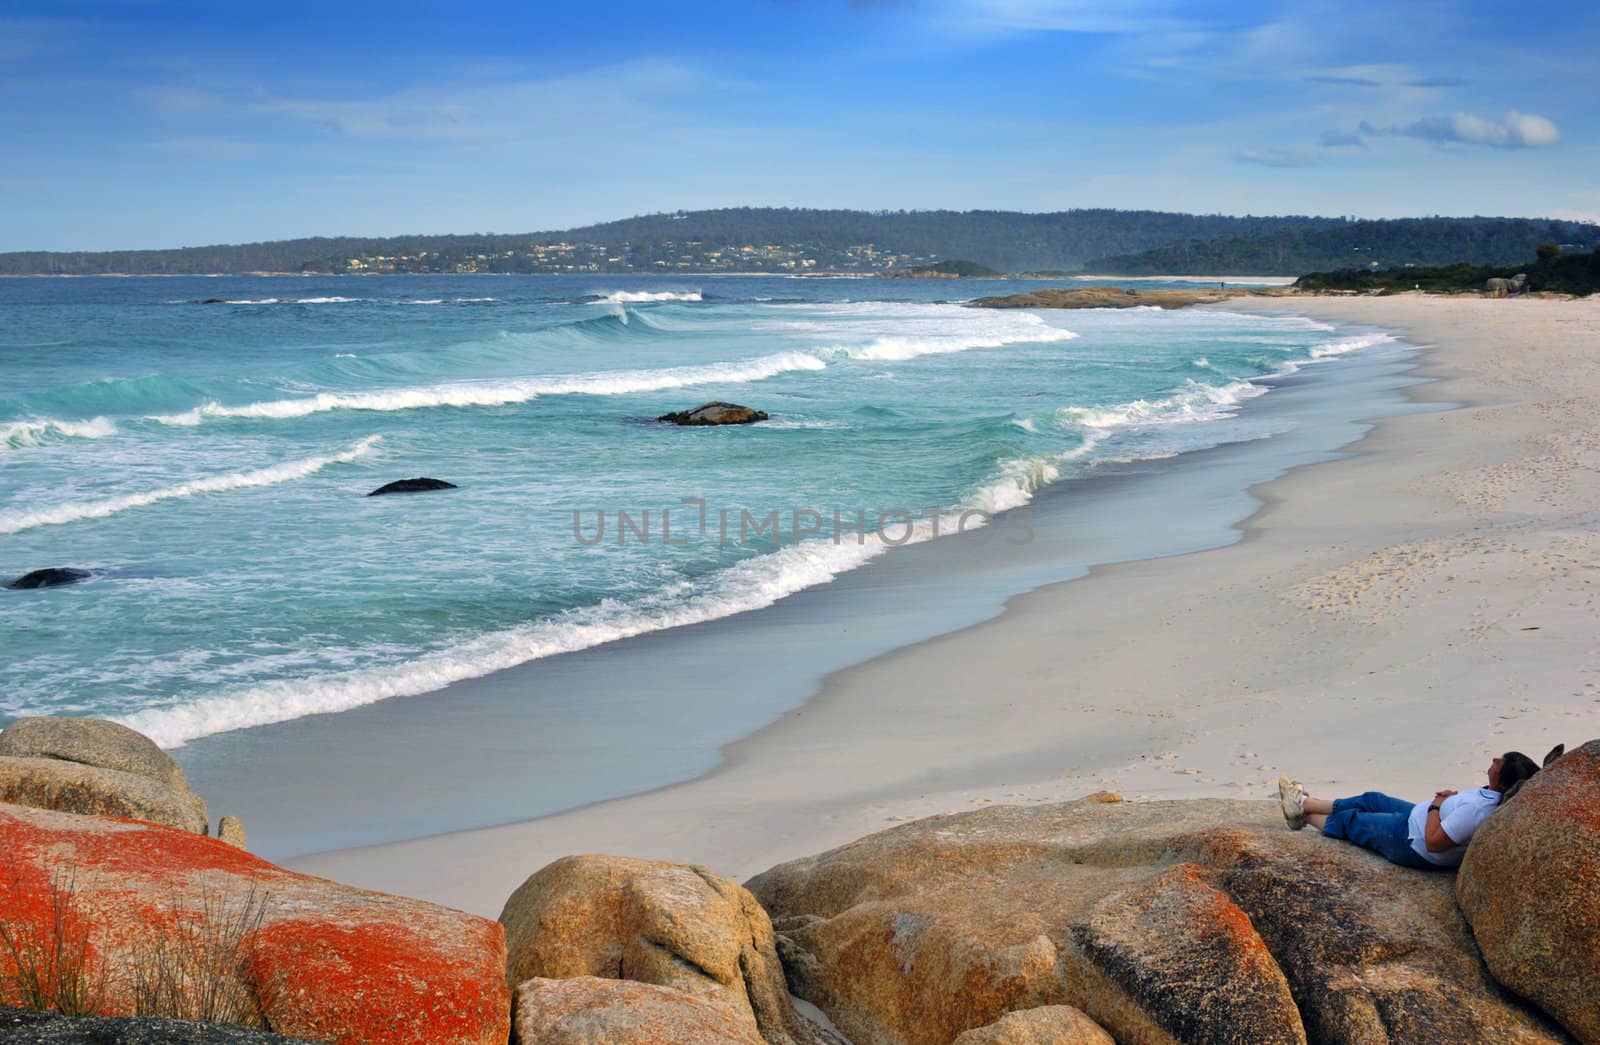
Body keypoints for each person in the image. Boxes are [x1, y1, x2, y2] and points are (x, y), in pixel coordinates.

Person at [1277, 752, 1539, 869]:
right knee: (1373, 799)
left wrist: (1437, 805)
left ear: (1502, 779)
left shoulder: (1479, 811)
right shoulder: (1491, 797)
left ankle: (1304, 814)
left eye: (1499, 762)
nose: (1493, 760)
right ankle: (1304, 803)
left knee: (1353, 822)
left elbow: (1435, 842)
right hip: (1417, 818)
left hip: (1413, 842)